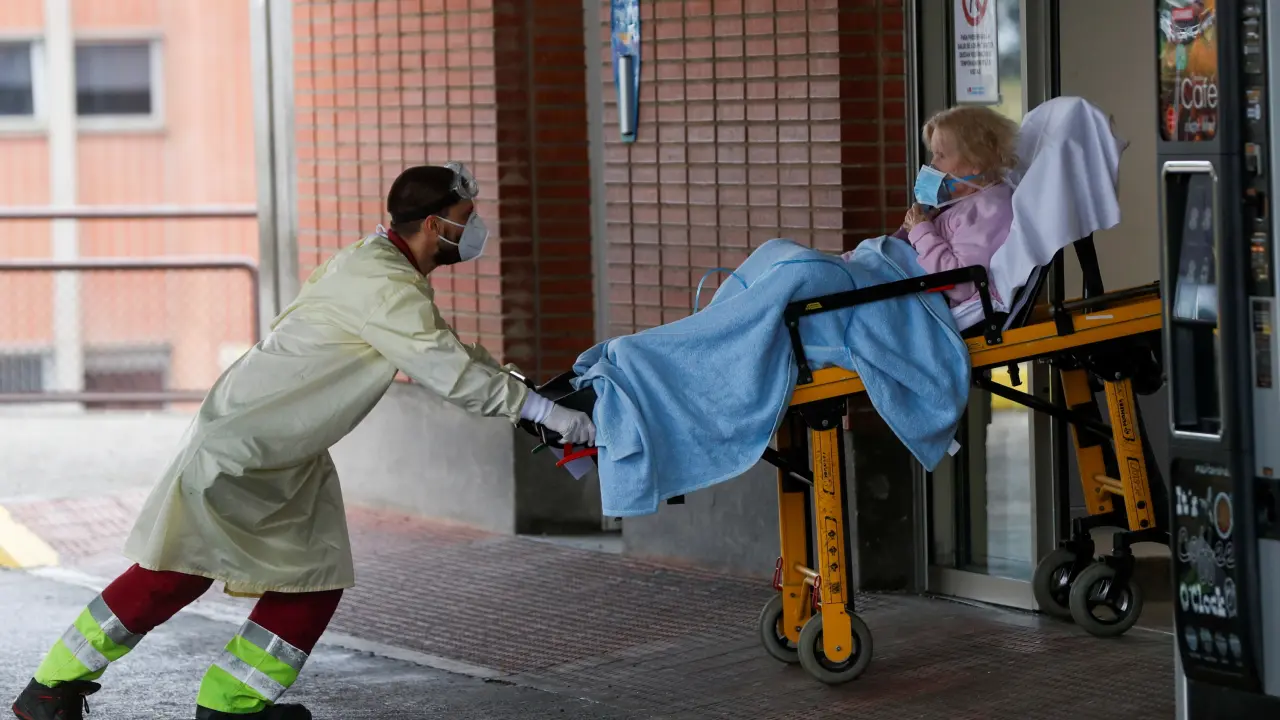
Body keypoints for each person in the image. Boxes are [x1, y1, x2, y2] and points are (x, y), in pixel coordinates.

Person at [11, 163, 596, 720]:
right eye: (465, 219)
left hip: (278, 451)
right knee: (180, 572)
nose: (474, 231)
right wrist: (550, 416)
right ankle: (61, 688)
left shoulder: (378, 266)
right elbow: (449, 371)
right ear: (432, 224)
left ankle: (219, 702)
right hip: (248, 450)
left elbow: (446, 350)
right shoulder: (385, 287)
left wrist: (526, 397)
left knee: (307, 576)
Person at [887, 105, 1019, 308]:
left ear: (976, 161)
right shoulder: (963, 201)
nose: (932, 164)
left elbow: (961, 285)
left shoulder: (989, 212)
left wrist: (921, 232)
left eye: (941, 155)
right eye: (933, 154)